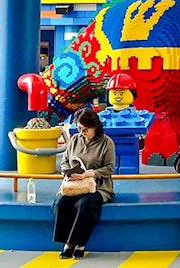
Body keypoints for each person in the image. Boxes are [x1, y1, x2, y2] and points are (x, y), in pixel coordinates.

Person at [54, 108, 116, 259]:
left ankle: (79, 243)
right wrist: (67, 173)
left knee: (85, 204)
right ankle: (67, 243)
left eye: (85, 129)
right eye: (79, 128)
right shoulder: (75, 140)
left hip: (98, 186)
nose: (82, 132)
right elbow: (65, 161)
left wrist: (89, 174)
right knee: (62, 203)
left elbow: (109, 168)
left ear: (95, 127)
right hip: (75, 185)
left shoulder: (107, 143)